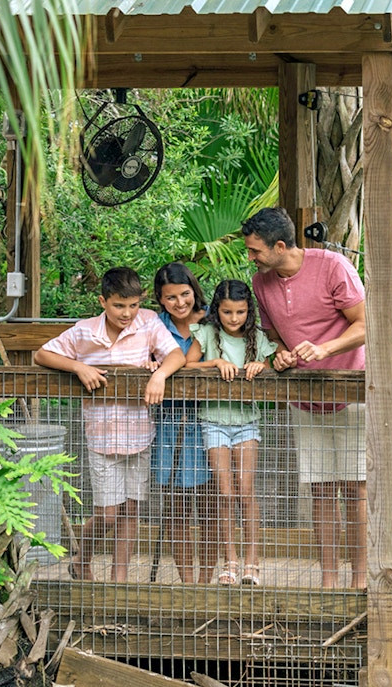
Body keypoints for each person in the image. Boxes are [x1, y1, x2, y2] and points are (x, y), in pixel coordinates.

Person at [241, 207, 368, 589]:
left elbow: (366, 322)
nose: (251, 258)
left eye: (256, 251)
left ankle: (359, 579)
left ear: (280, 246)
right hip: (304, 398)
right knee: (321, 489)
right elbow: (275, 334)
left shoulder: (333, 266)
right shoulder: (261, 283)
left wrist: (327, 349)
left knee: (356, 488)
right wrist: (279, 352)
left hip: (352, 390)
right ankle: (329, 580)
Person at [33, 267, 185, 582]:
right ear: (103, 301)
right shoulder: (84, 331)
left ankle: (120, 578)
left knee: (131, 509)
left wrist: (158, 374)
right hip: (101, 437)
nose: (126, 313)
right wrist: (78, 367)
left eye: (132, 305)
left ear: (140, 301)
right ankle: (81, 559)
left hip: (139, 434)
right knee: (107, 513)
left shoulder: (148, 323)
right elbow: (42, 354)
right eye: (119, 306)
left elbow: (175, 356)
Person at [186, 280, 278, 585]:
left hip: (246, 422)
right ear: (217, 310)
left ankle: (253, 561)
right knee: (224, 492)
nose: (234, 318)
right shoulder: (207, 334)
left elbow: (268, 364)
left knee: (245, 490)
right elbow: (187, 365)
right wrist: (214, 363)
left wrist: (258, 367)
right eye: (227, 312)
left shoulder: (257, 338)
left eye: (240, 312)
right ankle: (231, 561)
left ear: (248, 311)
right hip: (213, 420)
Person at [151, 262, 220, 584]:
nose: (180, 303)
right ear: (160, 300)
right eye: (171, 297)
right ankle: (187, 583)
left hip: (209, 419)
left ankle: (206, 581)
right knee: (177, 508)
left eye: (184, 294)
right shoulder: (154, 325)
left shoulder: (213, 318)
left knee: (210, 507)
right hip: (169, 421)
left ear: (194, 290)